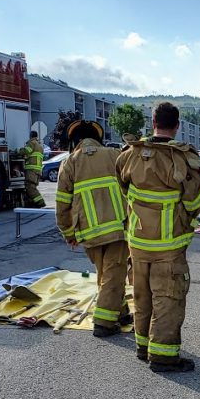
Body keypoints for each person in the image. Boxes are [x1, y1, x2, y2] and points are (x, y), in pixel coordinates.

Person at [116, 102, 200, 373]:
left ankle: (142, 347)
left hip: (137, 242)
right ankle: (163, 357)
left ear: (152, 121)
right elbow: (196, 200)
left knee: (142, 295)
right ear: (177, 126)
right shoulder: (182, 158)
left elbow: (124, 189)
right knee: (168, 299)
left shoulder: (129, 155)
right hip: (168, 245)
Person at [55, 120, 131, 338]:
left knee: (107, 275)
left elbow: (61, 205)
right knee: (113, 274)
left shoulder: (70, 162)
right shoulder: (115, 155)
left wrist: (68, 232)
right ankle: (104, 323)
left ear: (75, 141)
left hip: (88, 233)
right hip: (117, 229)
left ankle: (121, 311)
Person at [19, 130, 46, 208]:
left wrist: (18, 151)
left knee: (30, 187)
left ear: (31, 136)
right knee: (32, 187)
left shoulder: (32, 143)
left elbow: (26, 151)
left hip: (31, 170)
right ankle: (32, 203)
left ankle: (40, 202)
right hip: (38, 170)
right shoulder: (39, 146)